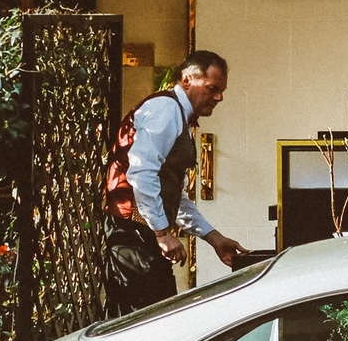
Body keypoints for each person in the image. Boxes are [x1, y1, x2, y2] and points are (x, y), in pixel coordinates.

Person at [106, 50, 253, 315]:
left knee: (160, 317)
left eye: (222, 90)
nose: (219, 97)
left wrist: (214, 237)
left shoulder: (177, 116)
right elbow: (141, 173)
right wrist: (162, 233)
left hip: (145, 235)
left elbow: (173, 194)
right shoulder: (163, 109)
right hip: (133, 234)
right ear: (187, 79)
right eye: (212, 88)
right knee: (148, 322)